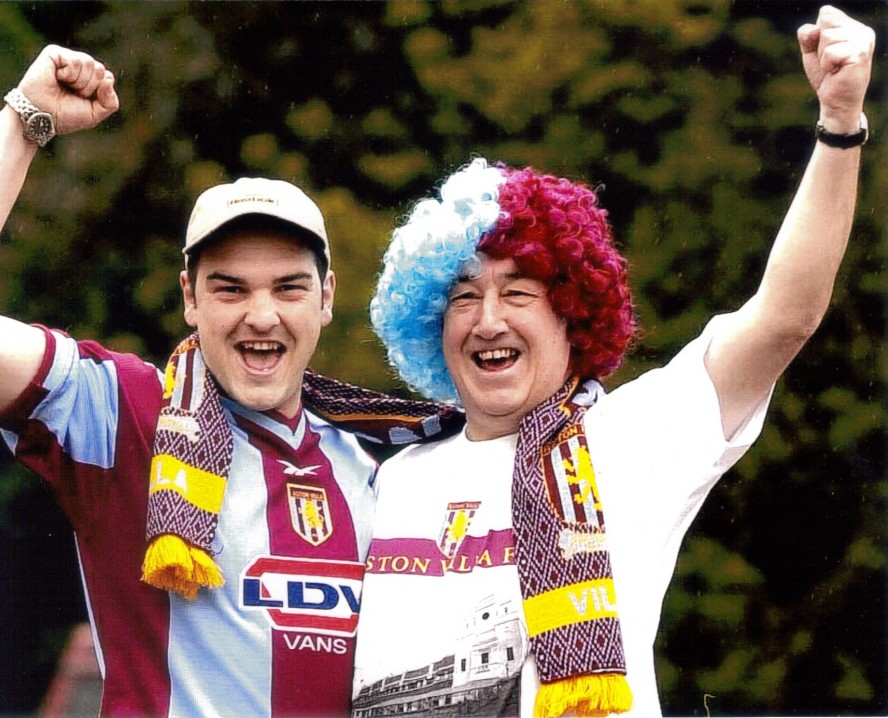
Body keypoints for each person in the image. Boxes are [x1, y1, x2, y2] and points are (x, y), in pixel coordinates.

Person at [0, 45, 453, 717]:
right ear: (190, 298)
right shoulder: (124, 413)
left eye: (289, 287)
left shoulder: (392, 463)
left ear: (327, 297)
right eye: (230, 288)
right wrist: (25, 121)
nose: (261, 314)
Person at [351, 6, 874, 717]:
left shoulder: (627, 439)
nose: (489, 319)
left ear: (573, 313)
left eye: (519, 291)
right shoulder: (384, 476)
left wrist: (839, 127)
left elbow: (785, 318)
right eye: (463, 297)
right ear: (430, 325)